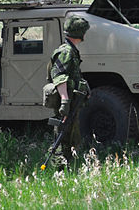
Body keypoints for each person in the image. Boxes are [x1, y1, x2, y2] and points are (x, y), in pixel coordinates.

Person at [48, 15, 90, 169]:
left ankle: (69, 167)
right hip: (65, 102)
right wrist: (65, 102)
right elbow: (60, 77)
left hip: (72, 101)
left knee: (72, 136)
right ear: (80, 33)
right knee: (63, 136)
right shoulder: (66, 52)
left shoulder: (71, 50)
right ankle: (59, 169)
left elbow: (73, 76)